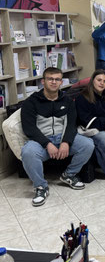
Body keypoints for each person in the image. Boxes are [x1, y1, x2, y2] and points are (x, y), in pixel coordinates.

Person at [20, 67, 94, 206]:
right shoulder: (31, 102)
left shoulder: (68, 101)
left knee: (88, 144)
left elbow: (72, 124)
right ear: (43, 81)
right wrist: (47, 144)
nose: (54, 82)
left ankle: (69, 175)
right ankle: (41, 187)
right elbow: (29, 128)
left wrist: (66, 142)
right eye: (50, 79)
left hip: (62, 138)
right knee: (27, 152)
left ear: (61, 82)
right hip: (41, 142)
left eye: (57, 79)